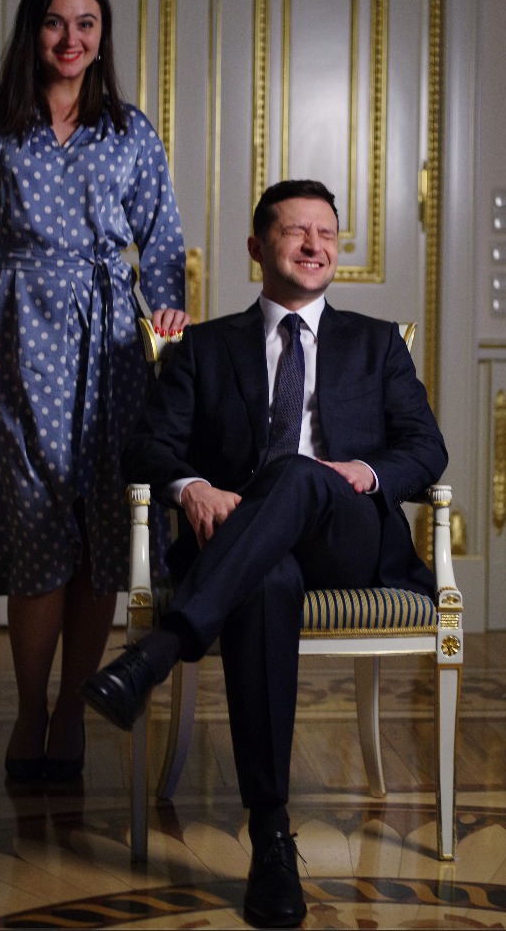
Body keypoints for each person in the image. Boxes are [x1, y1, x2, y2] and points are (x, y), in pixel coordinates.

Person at [79, 179, 448, 928]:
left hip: (348, 538)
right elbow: (146, 448)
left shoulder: (376, 344)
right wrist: (190, 488)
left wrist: (364, 472)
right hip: (243, 551)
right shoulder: (204, 347)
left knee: (298, 475)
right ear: (257, 247)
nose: (315, 246)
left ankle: (157, 653)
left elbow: (426, 448)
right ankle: (272, 841)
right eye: (295, 232)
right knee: (267, 578)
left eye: (327, 234)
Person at [0, 0, 189, 785]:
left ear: (102, 38)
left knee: (101, 525)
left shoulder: (129, 130)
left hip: (112, 347)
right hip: (18, 331)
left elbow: (164, 242)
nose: (71, 39)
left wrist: (165, 319)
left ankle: (72, 709)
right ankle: (30, 707)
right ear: (32, 32)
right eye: (55, 23)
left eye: (86, 24)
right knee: (37, 523)